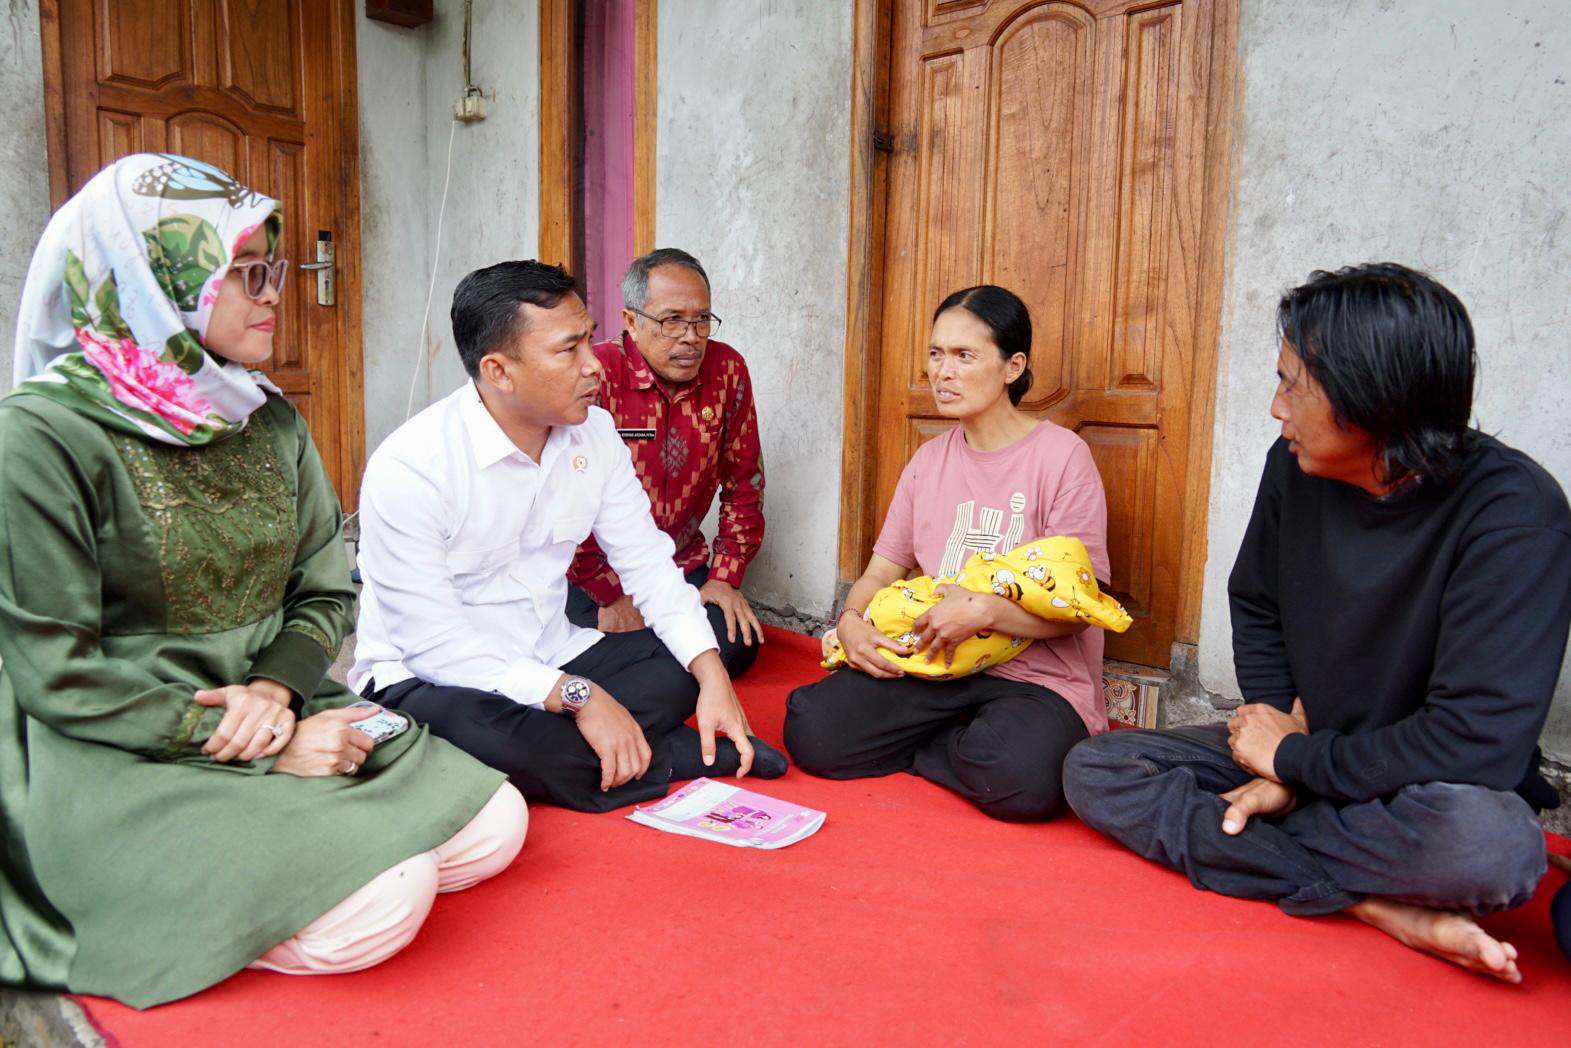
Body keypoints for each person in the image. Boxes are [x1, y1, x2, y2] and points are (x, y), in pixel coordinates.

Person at [0, 154, 525, 1010]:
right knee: (384, 903)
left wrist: (278, 696)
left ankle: (296, 856)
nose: (274, 291)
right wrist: (267, 746)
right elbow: (54, 670)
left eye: (273, 268)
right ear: (154, 275)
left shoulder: (263, 415)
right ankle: (202, 888)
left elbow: (324, 591)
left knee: (497, 820)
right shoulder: (43, 436)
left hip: (274, 701)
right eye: (246, 272)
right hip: (119, 739)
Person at [1063, 263, 1569, 983]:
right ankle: (1373, 903)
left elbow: (1474, 741)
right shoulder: (1293, 467)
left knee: (1491, 850)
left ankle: (1280, 854)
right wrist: (1273, 736)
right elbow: (1256, 602)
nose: (1276, 409)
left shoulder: (1514, 517)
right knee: (1099, 768)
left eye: (1291, 383)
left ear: (1370, 394)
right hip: (1301, 740)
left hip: (1418, 779)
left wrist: (1296, 770)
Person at [351, 260, 787, 815]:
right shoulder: (412, 467)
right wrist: (579, 698)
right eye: (569, 350)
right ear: (499, 371)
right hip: (430, 675)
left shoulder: (593, 433)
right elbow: (434, 643)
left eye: (588, 341)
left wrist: (712, 679)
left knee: (704, 652)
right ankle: (671, 754)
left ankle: (593, 748)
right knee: (508, 738)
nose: (593, 367)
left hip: (553, 649)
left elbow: (649, 562)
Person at [784, 285, 1112, 822]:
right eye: (936, 354)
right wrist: (848, 622)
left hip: (1035, 678)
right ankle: (952, 744)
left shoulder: (1063, 458)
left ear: (1013, 367)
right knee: (814, 728)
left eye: (964, 356)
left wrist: (985, 611)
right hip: (935, 661)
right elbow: (880, 572)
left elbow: (1079, 613)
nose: (943, 371)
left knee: (1023, 778)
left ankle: (928, 746)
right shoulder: (928, 461)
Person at [566, 249, 765, 678]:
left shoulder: (727, 370)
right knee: (573, 644)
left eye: (701, 320)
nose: (691, 336)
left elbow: (744, 483)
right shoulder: (595, 373)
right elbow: (565, 497)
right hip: (592, 573)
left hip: (679, 570)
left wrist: (725, 577)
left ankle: (651, 669)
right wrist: (609, 594)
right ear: (631, 320)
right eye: (672, 320)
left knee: (735, 643)